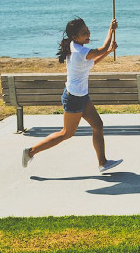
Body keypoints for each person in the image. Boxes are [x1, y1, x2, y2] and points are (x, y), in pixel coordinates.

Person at [22, 18, 123, 173]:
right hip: (74, 99)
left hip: (82, 96)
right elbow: (101, 49)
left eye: (87, 30)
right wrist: (111, 30)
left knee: (98, 125)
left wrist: (108, 51)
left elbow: (93, 61)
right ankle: (30, 152)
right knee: (66, 133)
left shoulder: (76, 47)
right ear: (75, 37)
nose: (88, 33)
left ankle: (102, 163)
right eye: (84, 33)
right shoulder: (79, 51)